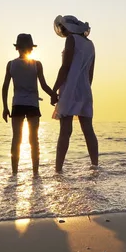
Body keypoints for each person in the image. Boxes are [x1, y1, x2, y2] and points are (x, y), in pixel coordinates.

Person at [2, 33, 55, 175]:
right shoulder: (36, 65)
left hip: (17, 104)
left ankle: (14, 173)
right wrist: (54, 95)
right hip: (32, 105)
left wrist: (5, 107)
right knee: (34, 139)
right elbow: (43, 85)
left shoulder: (11, 64)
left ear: (17, 48)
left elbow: (5, 87)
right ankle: (35, 173)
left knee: (16, 138)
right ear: (31, 48)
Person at [51, 15, 98, 173]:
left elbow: (65, 67)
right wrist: (85, 89)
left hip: (70, 88)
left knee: (65, 130)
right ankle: (95, 166)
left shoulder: (71, 40)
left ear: (67, 28)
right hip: (85, 89)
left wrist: (54, 89)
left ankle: (58, 170)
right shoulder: (90, 44)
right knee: (88, 129)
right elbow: (90, 73)